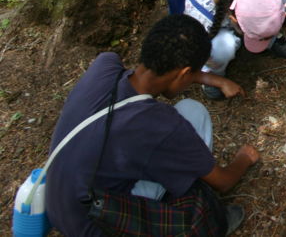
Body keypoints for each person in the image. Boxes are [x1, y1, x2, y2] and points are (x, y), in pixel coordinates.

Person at [45, 15, 260, 236]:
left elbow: (159, 76)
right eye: (191, 73)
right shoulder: (164, 125)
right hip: (99, 223)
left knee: (186, 115)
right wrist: (244, 158)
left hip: (58, 205)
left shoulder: (105, 65)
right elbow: (223, 182)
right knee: (194, 113)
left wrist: (212, 79)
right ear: (184, 72)